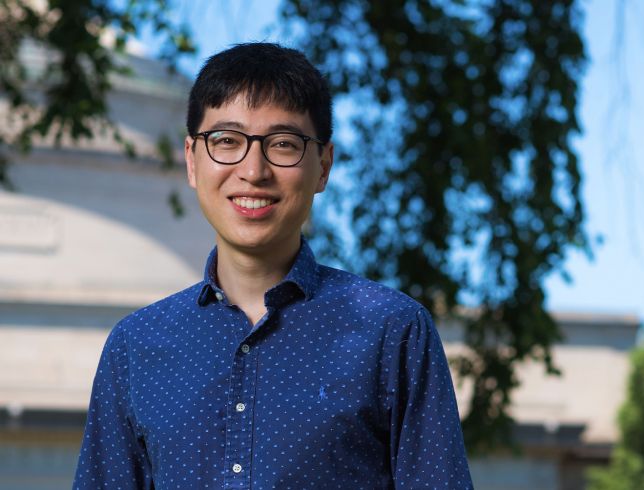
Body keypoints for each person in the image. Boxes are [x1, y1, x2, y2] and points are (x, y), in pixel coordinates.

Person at [73, 42, 473, 489]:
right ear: (191, 159)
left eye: (283, 145)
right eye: (226, 141)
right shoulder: (136, 346)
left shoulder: (392, 332)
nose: (253, 170)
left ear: (323, 166)